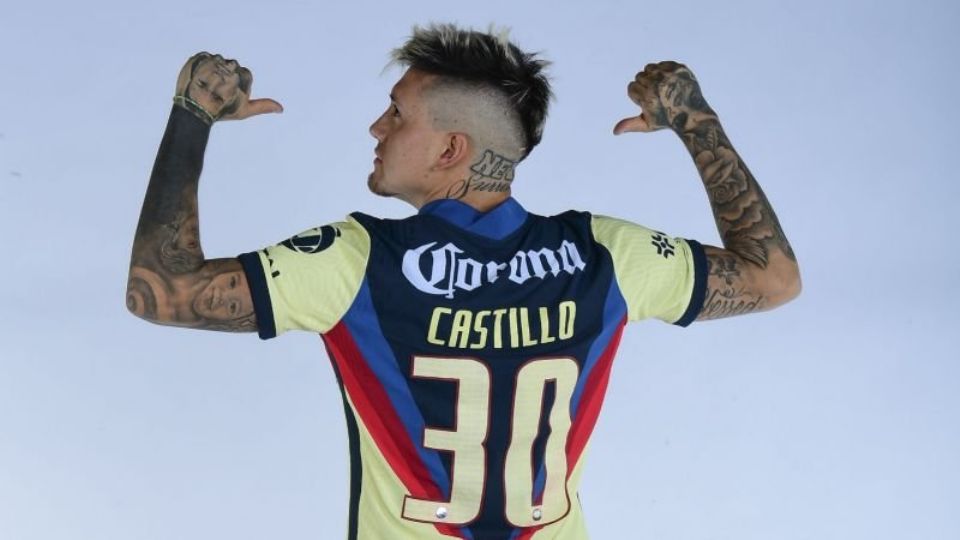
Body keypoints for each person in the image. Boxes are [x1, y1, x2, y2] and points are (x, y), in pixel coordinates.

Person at [126, 24, 800, 540]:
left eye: (397, 114)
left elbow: (161, 290)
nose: (377, 128)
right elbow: (772, 278)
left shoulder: (355, 260)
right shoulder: (608, 255)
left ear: (451, 149)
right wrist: (694, 120)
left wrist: (194, 112)